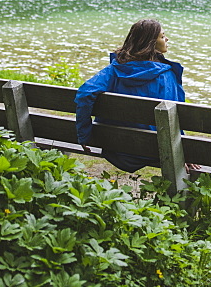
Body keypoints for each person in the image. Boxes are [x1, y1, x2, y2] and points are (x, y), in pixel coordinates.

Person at [75, 19, 198, 173]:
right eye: (162, 36)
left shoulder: (114, 70)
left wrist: (84, 135)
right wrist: (184, 153)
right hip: (156, 150)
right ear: (150, 43)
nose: (166, 39)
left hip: (115, 147)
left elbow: (85, 94)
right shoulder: (167, 76)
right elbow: (175, 118)